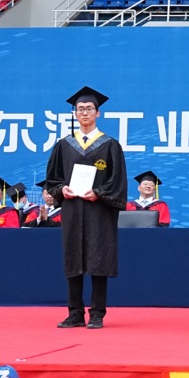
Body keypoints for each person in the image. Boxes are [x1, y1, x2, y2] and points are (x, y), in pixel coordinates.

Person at [44, 86, 128, 330]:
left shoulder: (110, 145)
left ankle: (98, 313)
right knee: (73, 258)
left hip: (98, 210)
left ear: (98, 113)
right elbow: (53, 178)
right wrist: (62, 190)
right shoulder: (64, 145)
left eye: (89, 109)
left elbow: (117, 181)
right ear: (75, 113)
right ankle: (75, 313)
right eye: (80, 109)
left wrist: (99, 193)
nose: (84, 112)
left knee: (99, 258)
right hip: (72, 209)